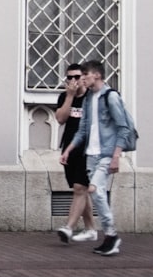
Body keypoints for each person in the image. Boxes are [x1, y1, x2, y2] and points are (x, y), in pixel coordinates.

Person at [60, 59, 133, 256]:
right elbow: (83, 130)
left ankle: (111, 235)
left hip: (106, 153)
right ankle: (108, 235)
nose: (82, 79)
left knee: (94, 189)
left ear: (97, 75)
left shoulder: (111, 97)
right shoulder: (88, 99)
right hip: (90, 154)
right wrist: (68, 150)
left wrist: (116, 156)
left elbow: (123, 128)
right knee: (95, 193)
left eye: (85, 75)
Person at [54, 63, 98, 244]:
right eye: (69, 77)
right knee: (80, 189)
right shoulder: (65, 97)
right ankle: (91, 229)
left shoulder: (92, 97)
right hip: (70, 148)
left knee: (80, 187)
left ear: (84, 77)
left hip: (88, 150)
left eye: (77, 77)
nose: (73, 81)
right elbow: (60, 119)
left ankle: (69, 227)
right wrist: (70, 96)